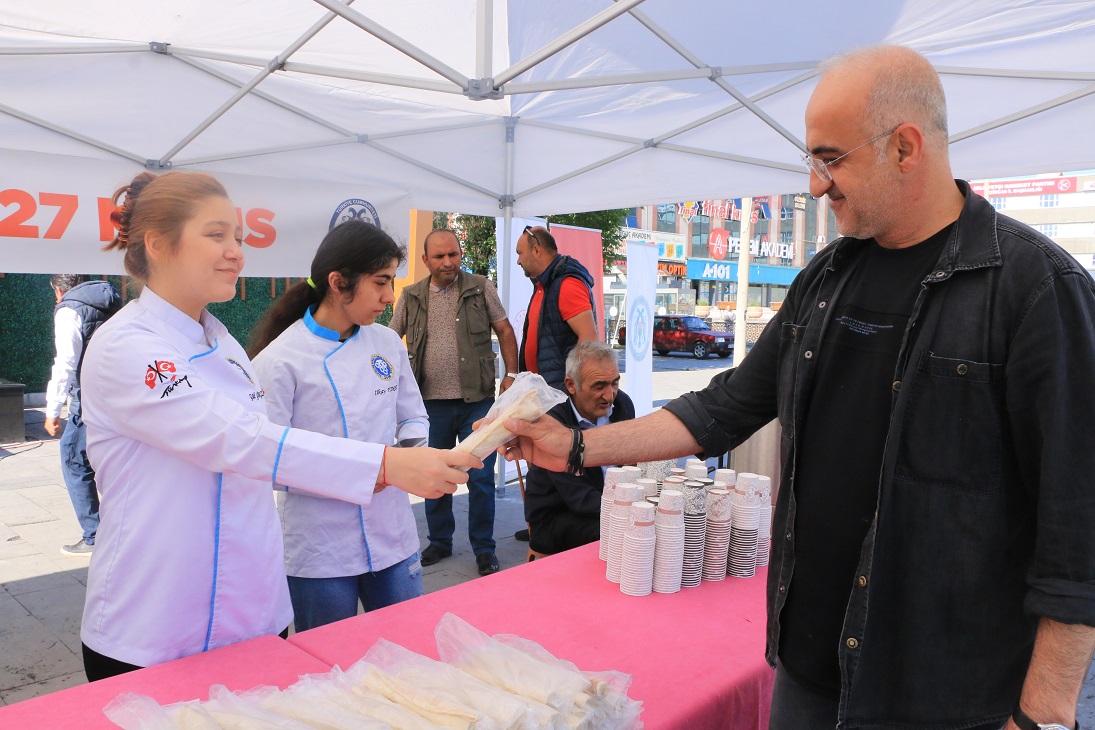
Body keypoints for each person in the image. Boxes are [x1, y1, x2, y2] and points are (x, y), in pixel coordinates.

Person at [499, 45, 1095, 730]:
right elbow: (723, 406)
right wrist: (574, 446)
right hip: (807, 676)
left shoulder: (1033, 288)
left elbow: (1075, 525)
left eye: (830, 158)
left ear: (905, 147)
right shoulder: (826, 277)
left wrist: (1042, 713)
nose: (815, 185)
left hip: (945, 697)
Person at [79, 171, 479, 681]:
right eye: (216, 234)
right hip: (154, 626)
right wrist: (385, 464)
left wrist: (409, 455)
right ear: (158, 244)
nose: (236, 252)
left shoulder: (224, 346)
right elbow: (239, 440)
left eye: (239, 238)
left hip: (251, 618)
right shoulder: (125, 345)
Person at [248, 220, 431, 630]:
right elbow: (266, 462)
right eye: (381, 282)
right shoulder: (279, 362)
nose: (389, 297)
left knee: (411, 644)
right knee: (329, 669)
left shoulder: (385, 343)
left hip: (393, 534)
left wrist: (412, 458)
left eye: (392, 282)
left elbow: (413, 415)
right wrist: (362, 472)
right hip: (321, 548)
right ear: (338, 282)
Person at [389, 228, 519, 576]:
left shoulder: (479, 287)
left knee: (479, 478)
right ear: (425, 260)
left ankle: (484, 548)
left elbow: (505, 330)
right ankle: (440, 542)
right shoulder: (412, 295)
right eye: (439, 256)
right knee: (436, 476)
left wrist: (511, 375)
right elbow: (389, 339)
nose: (448, 262)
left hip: (476, 401)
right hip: (429, 405)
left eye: (453, 255)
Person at [524, 341, 634, 555]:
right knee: (623, 534)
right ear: (571, 385)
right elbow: (578, 497)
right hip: (557, 515)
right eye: (599, 386)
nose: (609, 395)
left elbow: (632, 463)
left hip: (607, 506)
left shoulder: (622, 404)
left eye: (615, 383)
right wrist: (631, 513)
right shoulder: (553, 420)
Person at [43, 274, 122, 557]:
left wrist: (53, 410)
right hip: (120, 398)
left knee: (75, 463)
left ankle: (95, 536)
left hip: (88, 403)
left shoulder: (69, 309)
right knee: (115, 465)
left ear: (59, 289)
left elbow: (66, 362)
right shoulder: (114, 301)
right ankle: (126, 529)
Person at [514, 225, 598, 391]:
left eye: (520, 253)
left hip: (559, 394)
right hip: (545, 393)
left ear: (537, 250)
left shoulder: (567, 285)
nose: (518, 261)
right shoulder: (544, 285)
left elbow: (588, 339)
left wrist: (570, 388)